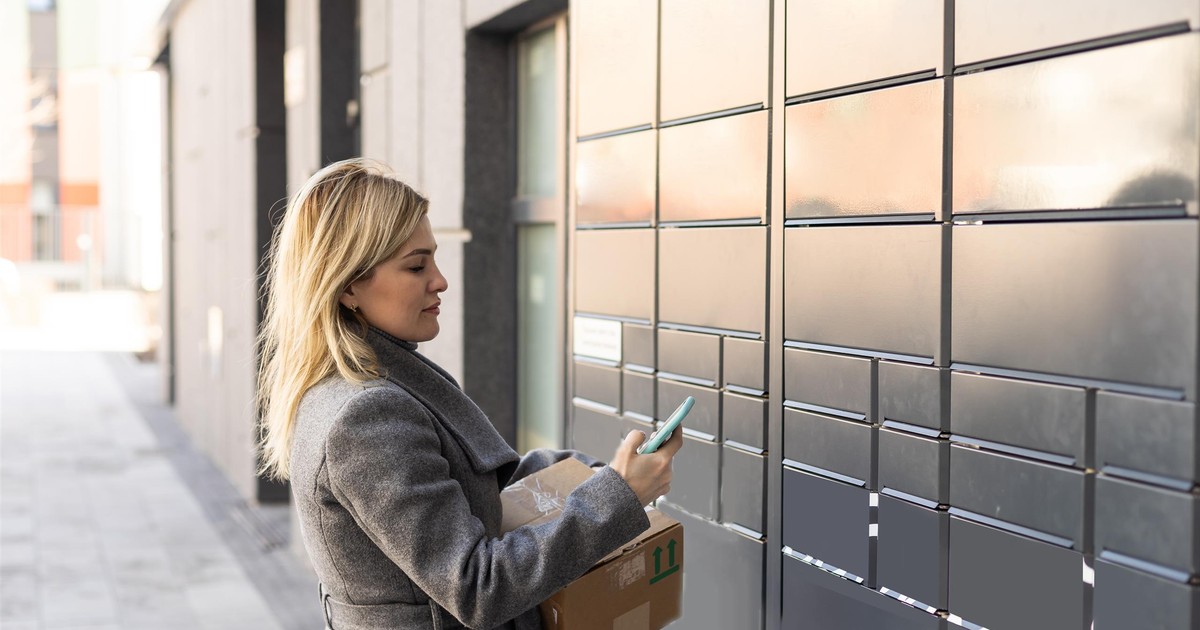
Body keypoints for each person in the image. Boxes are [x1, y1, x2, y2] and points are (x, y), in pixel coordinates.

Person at [256, 158, 682, 630]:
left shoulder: (377, 378)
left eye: (433, 258)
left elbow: (471, 485)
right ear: (349, 285)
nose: (439, 280)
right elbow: (479, 588)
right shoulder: (367, 415)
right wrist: (617, 498)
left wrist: (588, 476)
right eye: (416, 266)